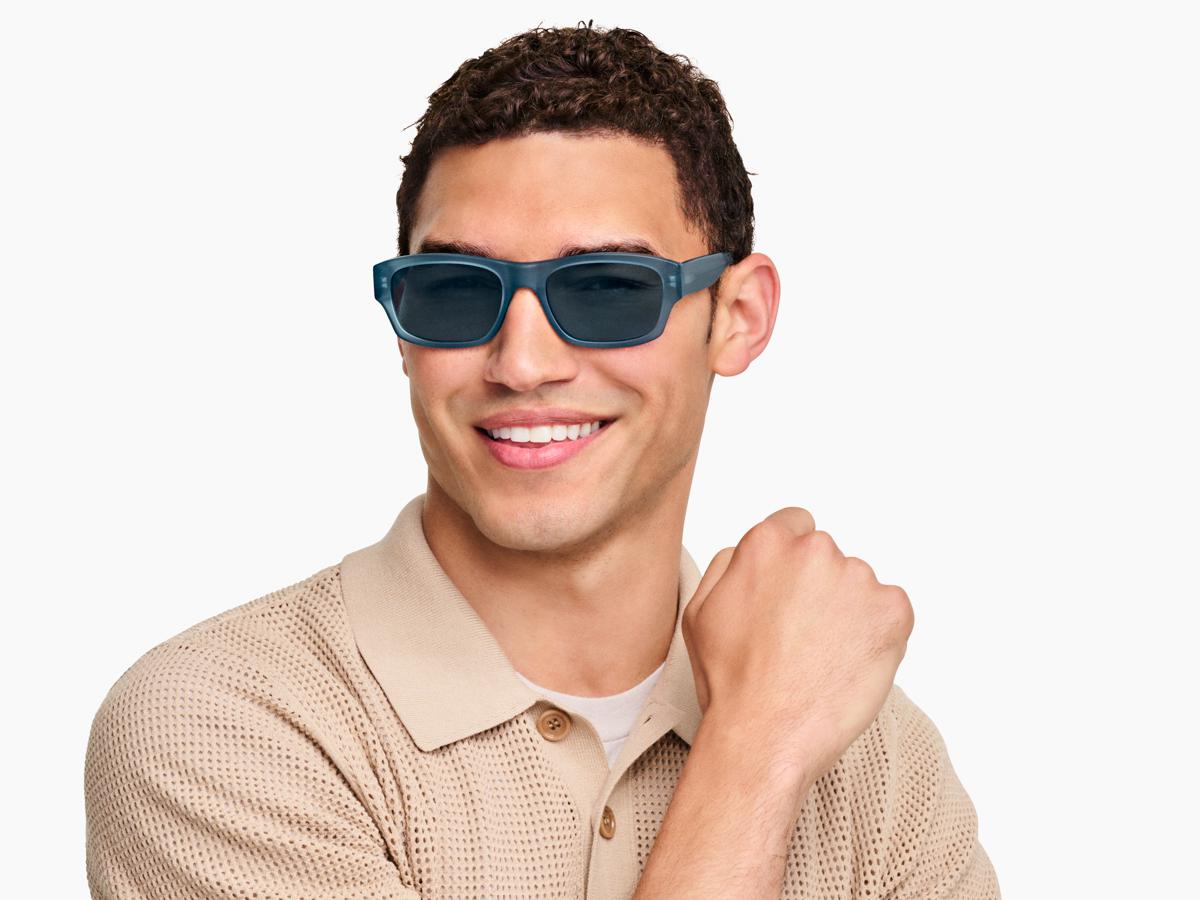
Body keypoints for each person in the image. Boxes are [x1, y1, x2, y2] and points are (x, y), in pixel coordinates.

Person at [85, 21, 1000, 899]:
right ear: (401, 329)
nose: (522, 364)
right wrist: (756, 752)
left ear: (740, 316)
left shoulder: (874, 754)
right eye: (454, 290)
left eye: (606, 289)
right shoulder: (221, 723)